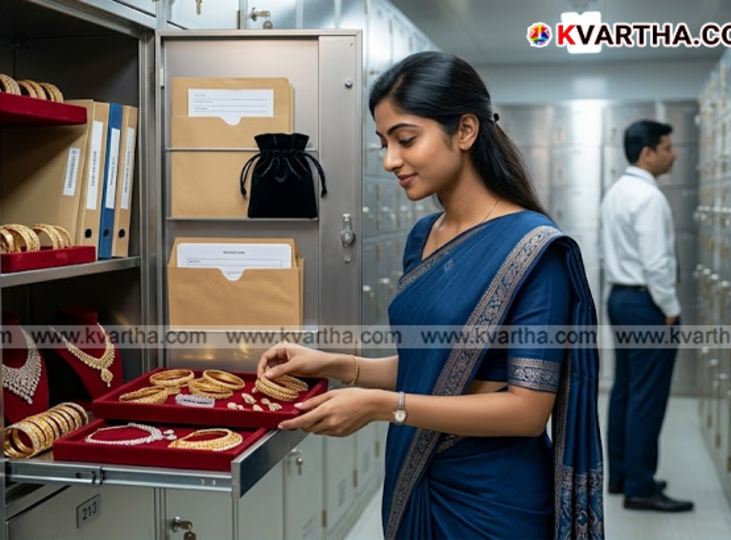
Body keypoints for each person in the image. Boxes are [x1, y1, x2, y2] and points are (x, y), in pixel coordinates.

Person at [256, 51, 604, 540]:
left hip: (493, 503)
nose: (389, 160)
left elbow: (527, 411)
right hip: (419, 480)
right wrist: (336, 364)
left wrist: (382, 406)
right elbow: (433, 366)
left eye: (406, 139)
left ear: (465, 131)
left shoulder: (533, 251)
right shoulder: (423, 236)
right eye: (383, 143)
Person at [600, 120, 693, 512]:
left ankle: (622, 474)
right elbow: (655, 263)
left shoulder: (616, 191)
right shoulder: (649, 198)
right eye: (668, 147)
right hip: (646, 305)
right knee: (647, 397)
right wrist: (670, 308)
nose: (674, 154)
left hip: (621, 299)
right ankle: (641, 486)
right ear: (647, 153)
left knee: (625, 389)